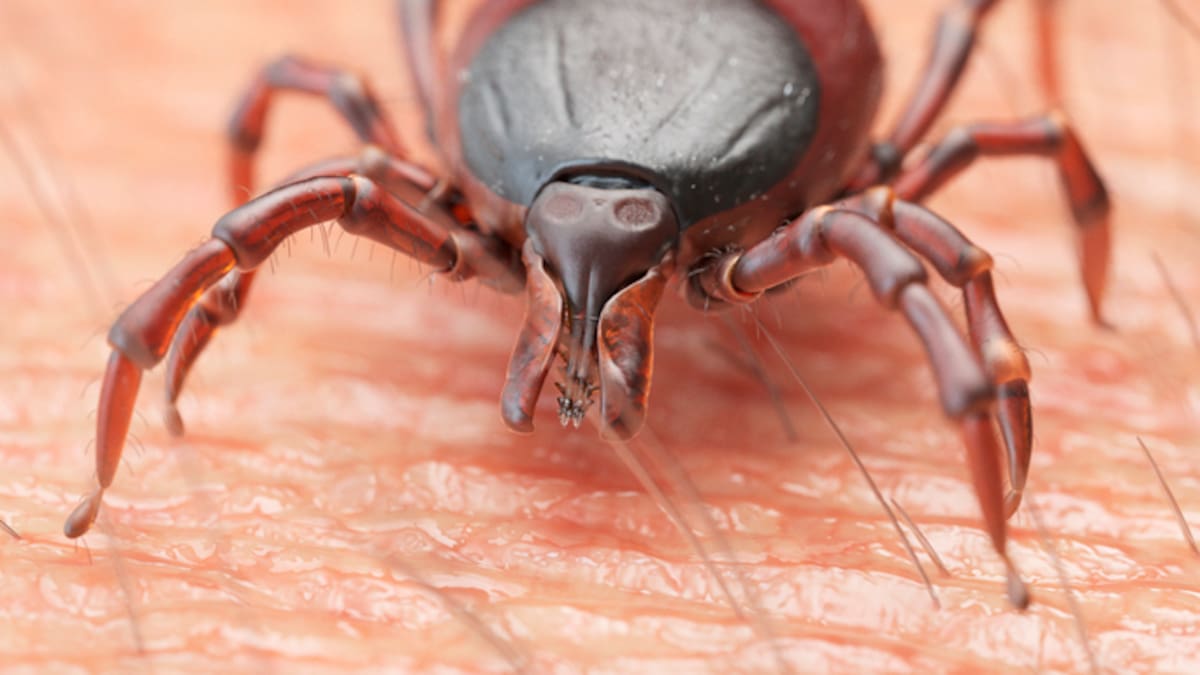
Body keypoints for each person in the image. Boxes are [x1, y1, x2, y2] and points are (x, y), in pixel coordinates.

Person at [1, 1, 1197, 670]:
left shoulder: (803, 221)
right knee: (939, 232)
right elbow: (950, 260)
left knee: (315, 193)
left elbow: (278, 120)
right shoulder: (478, 200)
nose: (582, 303)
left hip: (752, 126)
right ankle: (121, 454)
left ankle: (1003, 544)